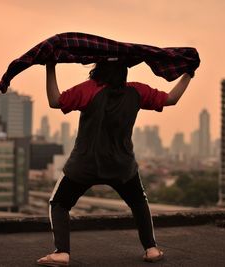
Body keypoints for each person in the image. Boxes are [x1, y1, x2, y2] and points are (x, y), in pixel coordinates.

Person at [37, 59, 192, 266]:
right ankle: (152, 249)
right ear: (124, 71)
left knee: (59, 203)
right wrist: (188, 74)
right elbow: (171, 98)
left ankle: (62, 252)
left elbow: (55, 101)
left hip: (85, 164)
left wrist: (50, 66)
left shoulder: (89, 89)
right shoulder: (136, 91)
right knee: (138, 202)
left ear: (97, 69)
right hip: (122, 165)